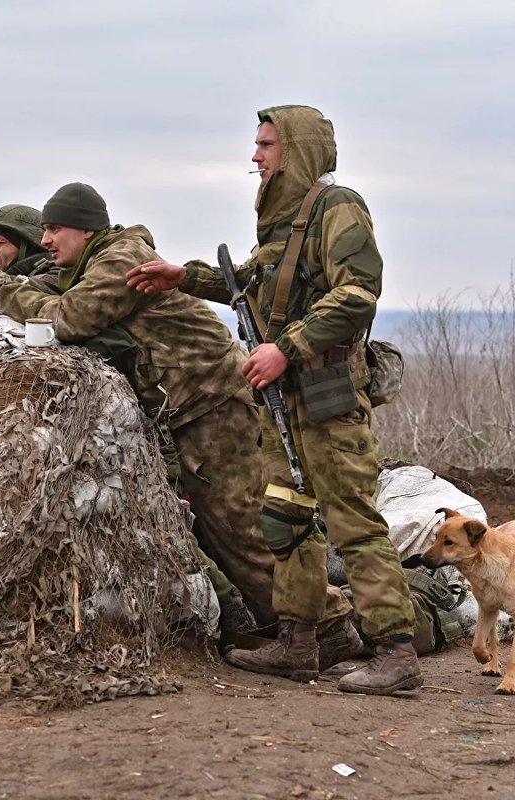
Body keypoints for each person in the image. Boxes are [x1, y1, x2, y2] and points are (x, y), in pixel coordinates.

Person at [0, 183, 363, 665]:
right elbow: (49, 290)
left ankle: (331, 628)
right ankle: (301, 631)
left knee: (249, 524)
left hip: (215, 402)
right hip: (194, 407)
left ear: (86, 229)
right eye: (41, 230)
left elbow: (68, 318)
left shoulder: (119, 260)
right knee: (228, 529)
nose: (46, 240)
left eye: (55, 229)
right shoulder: (92, 263)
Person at [126, 105, 421, 695]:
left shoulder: (338, 210)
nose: (255, 157)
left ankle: (395, 650)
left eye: (266, 145)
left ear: (299, 150)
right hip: (283, 403)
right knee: (286, 519)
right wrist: (182, 277)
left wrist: (286, 347)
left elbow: (358, 294)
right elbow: (254, 281)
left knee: (354, 525)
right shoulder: (286, 223)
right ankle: (299, 644)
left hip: (327, 398)